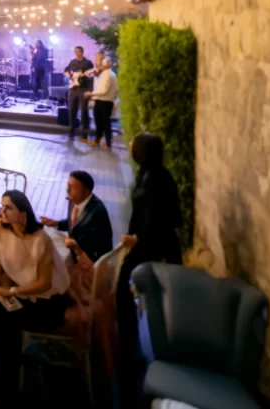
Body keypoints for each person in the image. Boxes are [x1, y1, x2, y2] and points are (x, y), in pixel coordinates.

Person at [0, 190, 71, 397]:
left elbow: (44, 284)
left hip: (47, 304)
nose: (1, 211)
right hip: (23, 296)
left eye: (8, 207)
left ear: (23, 214)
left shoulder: (41, 240)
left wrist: (12, 290)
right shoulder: (1, 229)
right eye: (2, 206)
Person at [117, 133, 183, 407]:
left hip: (152, 247)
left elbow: (160, 220)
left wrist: (137, 239)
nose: (130, 146)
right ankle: (133, 349)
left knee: (128, 290)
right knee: (132, 290)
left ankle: (134, 354)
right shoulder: (150, 173)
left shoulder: (157, 179)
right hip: (146, 244)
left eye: (135, 144)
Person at [42, 171, 113, 263]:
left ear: (86, 191)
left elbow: (102, 250)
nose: (68, 190)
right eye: (68, 186)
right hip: (72, 247)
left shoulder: (97, 214)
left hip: (86, 260)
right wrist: (56, 223)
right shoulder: (74, 199)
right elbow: (74, 222)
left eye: (72, 187)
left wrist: (77, 250)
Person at [63, 46, 95, 141]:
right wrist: (69, 75)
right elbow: (66, 71)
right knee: (72, 110)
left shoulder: (87, 63)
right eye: (75, 51)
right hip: (73, 89)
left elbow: (91, 75)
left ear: (82, 52)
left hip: (83, 88)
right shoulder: (72, 62)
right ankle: (71, 131)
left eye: (78, 51)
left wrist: (83, 75)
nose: (76, 53)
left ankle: (84, 133)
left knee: (84, 111)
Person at [85, 58, 117, 149]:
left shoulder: (109, 75)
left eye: (101, 65)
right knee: (99, 122)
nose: (99, 67)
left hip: (105, 102)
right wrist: (95, 74)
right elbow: (97, 86)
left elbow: (103, 90)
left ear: (105, 66)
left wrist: (91, 94)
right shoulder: (103, 75)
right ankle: (97, 140)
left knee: (106, 123)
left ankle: (108, 143)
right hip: (99, 101)